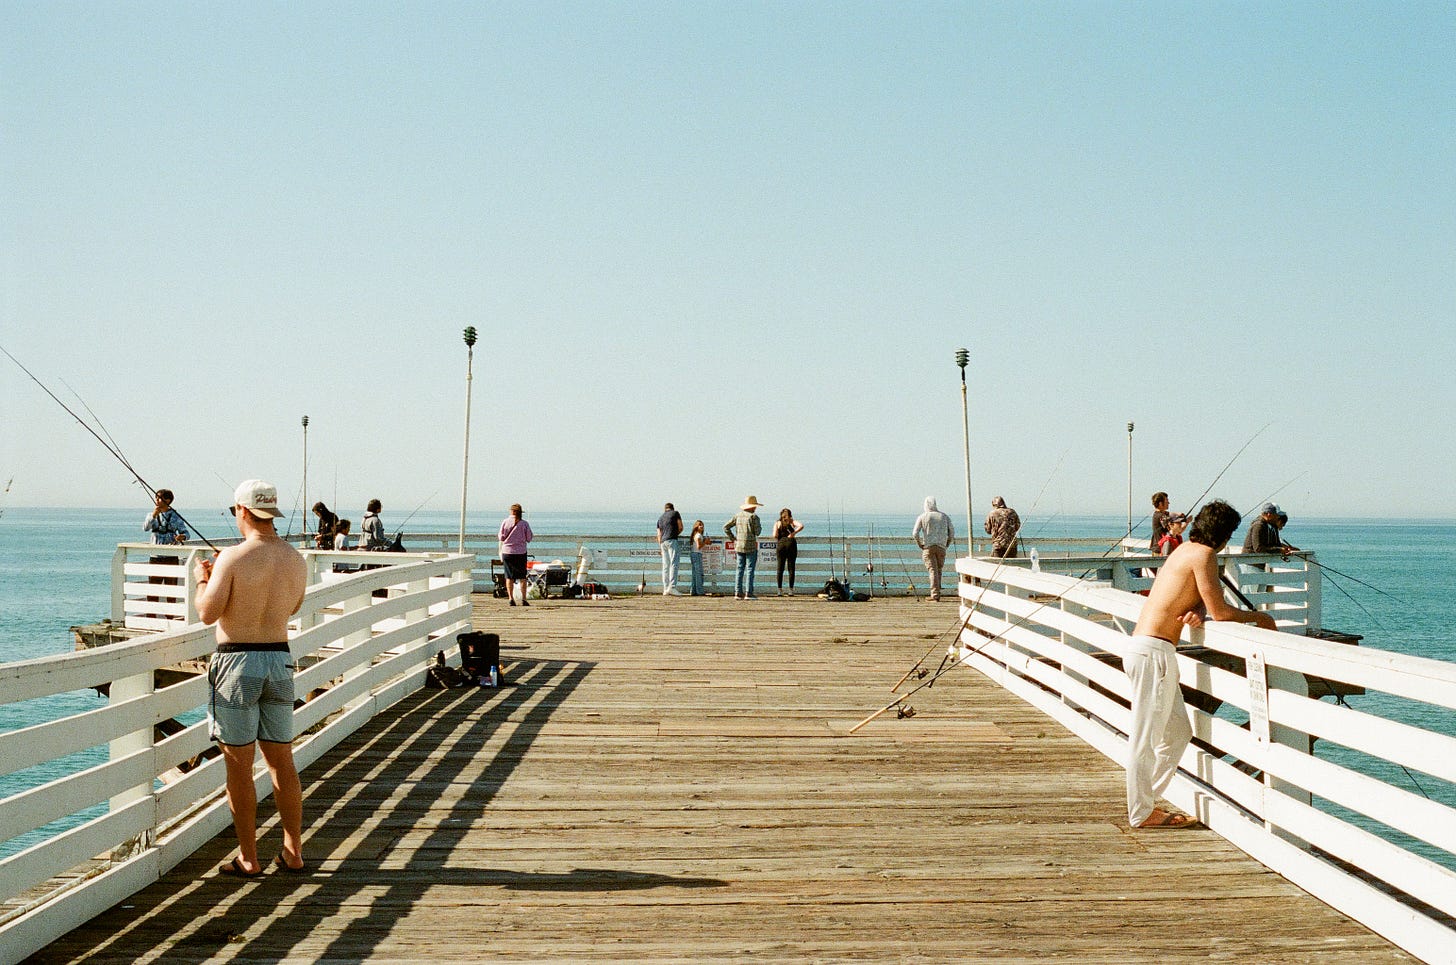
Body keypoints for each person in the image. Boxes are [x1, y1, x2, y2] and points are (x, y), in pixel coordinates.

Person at [1125, 499, 1276, 829]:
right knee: (1145, 737)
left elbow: (1195, 599)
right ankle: (1141, 811)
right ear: (1223, 534)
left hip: (1147, 648)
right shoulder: (1205, 555)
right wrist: (1259, 617)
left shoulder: (1184, 550)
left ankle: (1146, 801)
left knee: (1178, 733)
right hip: (1155, 653)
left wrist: (1201, 611)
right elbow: (1222, 611)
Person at [193, 479, 308, 877]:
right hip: (279, 661)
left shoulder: (232, 557)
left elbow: (208, 614)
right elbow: (292, 606)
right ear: (271, 513)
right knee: (282, 762)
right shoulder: (296, 559)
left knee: (238, 766)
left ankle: (249, 858)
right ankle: (293, 850)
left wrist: (203, 579)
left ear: (242, 510)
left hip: (236, 663)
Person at [912, 497, 956, 601]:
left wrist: (920, 544)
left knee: (932, 570)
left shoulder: (923, 517)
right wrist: (947, 544)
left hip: (928, 547)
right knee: (939, 570)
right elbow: (952, 532)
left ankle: (935, 595)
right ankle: (937, 593)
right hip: (941, 547)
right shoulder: (944, 516)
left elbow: (915, 533)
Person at [723, 496, 763, 600]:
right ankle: (748, 593)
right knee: (750, 569)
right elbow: (757, 532)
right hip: (750, 546)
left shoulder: (737, 516)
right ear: (752, 506)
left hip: (739, 545)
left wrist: (733, 539)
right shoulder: (754, 517)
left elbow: (726, 527)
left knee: (739, 569)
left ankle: (737, 592)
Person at [498, 503, 534, 606]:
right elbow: (529, 538)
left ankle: (510, 598)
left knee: (509, 576)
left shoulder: (505, 522)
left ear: (512, 512)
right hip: (520, 552)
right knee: (522, 577)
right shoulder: (524, 524)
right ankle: (523, 599)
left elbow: (501, 537)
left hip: (508, 552)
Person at [773, 508, 804, 595]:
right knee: (791, 568)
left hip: (781, 545)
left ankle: (779, 590)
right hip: (791, 544)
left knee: (780, 568)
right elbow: (801, 525)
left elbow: (774, 535)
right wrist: (794, 533)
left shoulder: (778, 523)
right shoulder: (792, 522)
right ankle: (790, 590)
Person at [656, 502, 685, 595]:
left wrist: (660, 546)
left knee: (665, 565)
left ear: (665, 509)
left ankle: (665, 588)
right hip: (672, 539)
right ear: (672, 508)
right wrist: (675, 534)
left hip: (662, 542)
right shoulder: (675, 513)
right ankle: (672, 587)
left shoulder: (660, 518)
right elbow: (681, 527)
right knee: (674, 563)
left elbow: (658, 534)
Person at [689, 520, 709, 596]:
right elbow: (699, 546)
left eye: (702, 525)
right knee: (699, 573)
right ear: (696, 527)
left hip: (694, 554)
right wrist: (705, 542)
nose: (702, 526)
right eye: (700, 525)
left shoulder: (696, 535)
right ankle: (699, 591)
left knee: (695, 573)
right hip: (697, 554)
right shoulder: (698, 535)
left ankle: (693, 590)